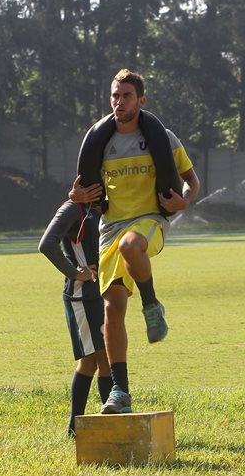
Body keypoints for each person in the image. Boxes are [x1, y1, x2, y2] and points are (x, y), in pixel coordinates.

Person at [70, 68, 200, 414]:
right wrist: (76, 195)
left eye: (126, 96)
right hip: (110, 229)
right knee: (111, 310)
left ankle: (152, 305)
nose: (119, 102)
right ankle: (120, 391)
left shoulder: (162, 137)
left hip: (149, 223)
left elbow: (191, 181)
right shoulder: (100, 139)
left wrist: (183, 201)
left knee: (132, 246)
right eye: (115, 95)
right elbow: (79, 189)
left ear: (141, 100)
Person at [38, 201, 112, 435]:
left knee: (103, 358)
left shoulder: (106, 205)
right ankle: (82, 426)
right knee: (97, 359)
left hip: (104, 292)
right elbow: (46, 244)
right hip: (84, 295)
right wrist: (76, 272)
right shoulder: (74, 208)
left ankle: (87, 426)